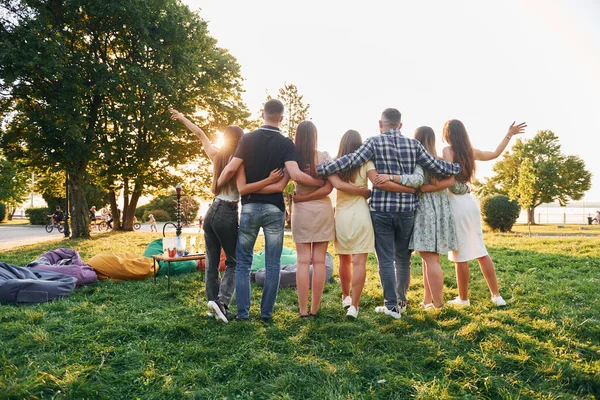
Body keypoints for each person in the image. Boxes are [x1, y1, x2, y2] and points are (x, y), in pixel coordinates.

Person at [317, 108, 461, 319]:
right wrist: (456, 167)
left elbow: (350, 160)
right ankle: (402, 302)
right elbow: (436, 166)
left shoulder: (373, 142)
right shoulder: (414, 145)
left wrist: (324, 169)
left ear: (380, 124)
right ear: (401, 125)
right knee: (403, 259)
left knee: (385, 259)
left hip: (381, 211)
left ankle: (391, 306)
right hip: (407, 210)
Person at [170, 107, 285, 323]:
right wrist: (269, 180)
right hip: (227, 212)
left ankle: (212, 305)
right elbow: (243, 184)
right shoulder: (239, 160)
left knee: (211, 262)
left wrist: (184, 118)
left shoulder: (216, 155)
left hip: (211, 211)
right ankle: (222, 302)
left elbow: (200, 134)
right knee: (234, 262)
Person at [216, 99, 326, 322]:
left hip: (248, 208)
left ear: (261, 114)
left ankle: (244, 313)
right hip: (274, 208)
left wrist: (216, 185)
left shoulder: (246, 139)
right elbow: (292, 177)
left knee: (244, 262)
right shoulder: (286, 144)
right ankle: (266, 314)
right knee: (273, 263)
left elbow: (231, 168)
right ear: (282, 118)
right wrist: (319, 182)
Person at [376, 127, 468, 310]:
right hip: (441, 213)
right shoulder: (441, 162)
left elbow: (413, 181)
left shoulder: (417, 163)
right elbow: (454, 184)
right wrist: (466, 189)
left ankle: (439, 305)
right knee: (429, 259)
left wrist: (392, 178)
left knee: (431, 260)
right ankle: (428, 300)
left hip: (426, 213)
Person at [442, 119, 526, 307]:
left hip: (456, 205)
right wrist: (509, 134)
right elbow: (495, 154)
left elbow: (448, 176)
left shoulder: (448, 151)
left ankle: (463, 299)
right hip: (471, 205)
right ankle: (496, 296)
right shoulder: (471, 152)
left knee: (460, 255)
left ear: (447, 134)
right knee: (480, 251)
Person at [326, 130, 374, 319]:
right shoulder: (366, 162)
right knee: (359, 262)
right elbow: (374, 182)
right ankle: (354, 305)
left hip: (343, 216)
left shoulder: (335, 164)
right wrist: (364, 192)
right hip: (362, 215)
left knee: (344, 260)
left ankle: (345, 296)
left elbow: (338, 185)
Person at [289, 121, 335, 318]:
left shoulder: (292, 158)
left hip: (301, 210)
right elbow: (328, 188)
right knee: (318, 262)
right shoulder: (324, 157)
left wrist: (301, 199)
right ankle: (315, 309)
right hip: (322, 210)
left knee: (302, 262)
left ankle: (302, 310)